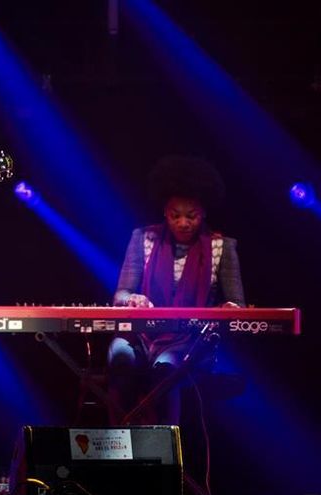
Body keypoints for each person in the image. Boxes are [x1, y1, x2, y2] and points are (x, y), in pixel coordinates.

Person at [107, 155, 245, 427]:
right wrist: (132, 298)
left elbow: (236, 303)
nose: (183, 222)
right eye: (175, 216)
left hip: (189, 338)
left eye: (191, 216)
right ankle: (118, 444)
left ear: (203, 212)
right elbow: (121, 293)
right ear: (165, 213)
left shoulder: (222, 247)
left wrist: (230, 309)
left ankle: (165, 452)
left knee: (167, 369)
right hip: (140, 335)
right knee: (120, 357)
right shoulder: (142, 238)